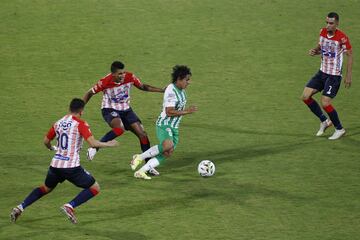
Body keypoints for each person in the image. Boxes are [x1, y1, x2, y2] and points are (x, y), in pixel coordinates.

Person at [10, 98, 118, 224]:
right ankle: (70, 206)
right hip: (71, 167)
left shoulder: (58, 123)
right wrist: (109, 144)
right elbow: (92, 143)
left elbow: (46, 141)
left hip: (55, 165)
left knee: (46, 188)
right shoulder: (80, 124)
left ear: (70, 108)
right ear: (81, 111)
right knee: (95, 187)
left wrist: (52, 148)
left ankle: (20, 207)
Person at [83, 61, 164, 174]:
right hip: (109, 109)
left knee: (143, 134)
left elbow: (143, 86)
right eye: (120, 74)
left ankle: (148, 165)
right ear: (113, 74)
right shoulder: (104, 82)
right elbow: (89, 93)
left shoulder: (130, 77)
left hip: (126, 110)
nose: (123, 76)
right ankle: (95, 147)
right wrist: (80, 109)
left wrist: (162, 90)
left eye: (123, 72)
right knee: (119, 129)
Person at [130, 65, 198, 179]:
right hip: (164, 124)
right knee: (168, 145)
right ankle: (139, 157)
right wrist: (187, 111)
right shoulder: (172, 91)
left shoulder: (181, 91)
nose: (189, 82)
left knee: (168, 152)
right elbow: (169, 112)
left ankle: (141, 171)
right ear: (179, 79)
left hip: (174, 127)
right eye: (187, 80)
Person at [301, 12, 353, 140]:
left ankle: (340, 129)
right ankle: (324, 121)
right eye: (327, 23)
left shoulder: (342, 38)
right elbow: (321, 48)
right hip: (322, 72)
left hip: (333, 76)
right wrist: (315, 51)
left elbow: (350, 55)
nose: (328, 25)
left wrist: (348, 76)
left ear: (337, 24)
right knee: (305, 96)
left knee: (325, 102)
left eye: (331, 23)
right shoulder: (322, 32)